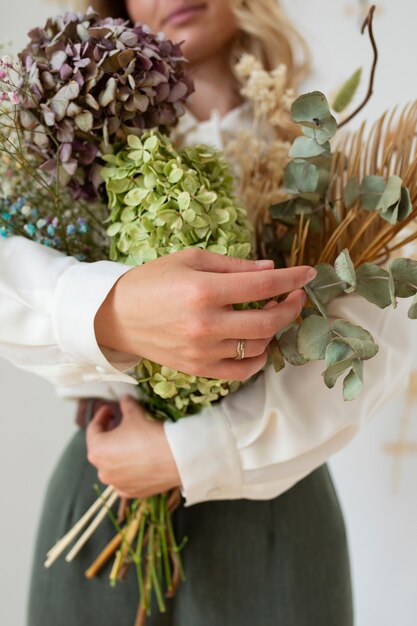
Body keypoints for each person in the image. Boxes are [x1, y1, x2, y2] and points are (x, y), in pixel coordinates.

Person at [0, 1, 413, 625]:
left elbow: (374, 343)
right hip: (105, 485)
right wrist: (112, 311)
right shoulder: (73, 149)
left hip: (274, 522)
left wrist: (188, 454)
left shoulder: (326, 154)